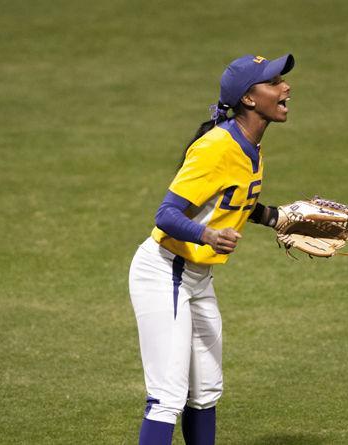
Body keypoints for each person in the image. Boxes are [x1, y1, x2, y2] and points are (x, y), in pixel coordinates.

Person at [128, 53, 294, 445]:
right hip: (165, 272)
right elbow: (165, 215)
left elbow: (231, 201)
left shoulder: (250, 143)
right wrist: (207, 237)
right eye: (274, 82)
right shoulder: (215, 147)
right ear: (249, 99)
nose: (286, 87)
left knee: (204, 393)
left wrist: (274, 217)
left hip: (198, 279)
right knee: (167, 396)